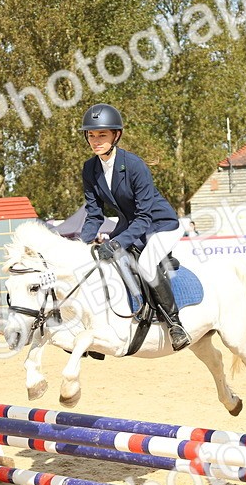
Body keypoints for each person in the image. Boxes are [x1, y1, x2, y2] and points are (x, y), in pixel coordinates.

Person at [78, 102, 191, 351]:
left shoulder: (134, 165)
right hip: (132, 225)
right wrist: (79, 244)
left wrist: (118, 242)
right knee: (99, 264)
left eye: (102, 135)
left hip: (160, 225)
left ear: (116, 135)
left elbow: (145, 216)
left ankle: (175, 324)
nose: (95, 140)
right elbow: (94, 214)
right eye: (91, 135)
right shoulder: (90, 168)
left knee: (146, 264)